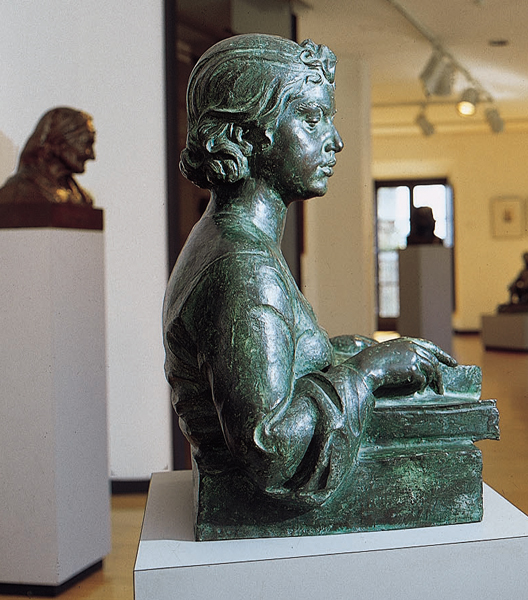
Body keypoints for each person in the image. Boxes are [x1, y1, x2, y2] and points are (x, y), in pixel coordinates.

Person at [163, 34, 456, 516]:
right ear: (244, 136)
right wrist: (369, 371)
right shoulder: (245, 268)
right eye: (312, 118)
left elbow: (281, 361)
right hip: (250, 502)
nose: (335, 140)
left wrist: (350, 352)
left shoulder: (231, 239)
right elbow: (271, 448)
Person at [0, 107, 95, 205]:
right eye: (86, 143)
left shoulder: (82, 199)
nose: (92, 156)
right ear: (58, 143)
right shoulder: (17, 192)